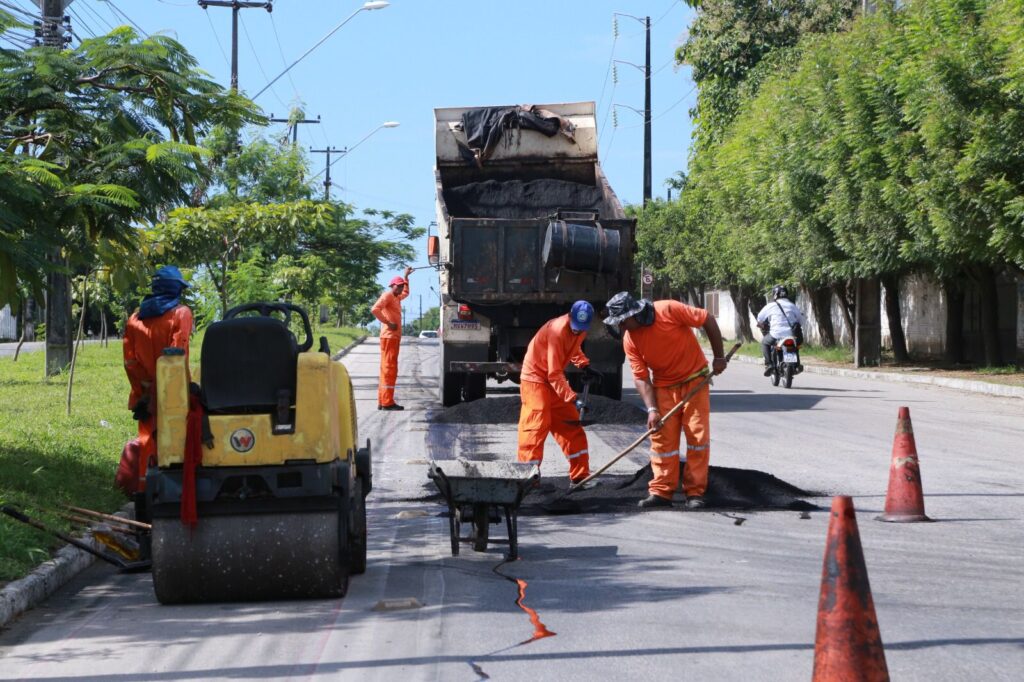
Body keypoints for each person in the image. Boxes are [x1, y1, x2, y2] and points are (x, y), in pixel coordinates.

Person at [603, 292, 728, 509]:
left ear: (635, 314)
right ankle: (661, 491)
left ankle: (695, 492)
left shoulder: (668, 309)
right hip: (663, 387)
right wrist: (652, 409)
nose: (621, 326)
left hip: (694, 380)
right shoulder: (630, 340)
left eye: (623, 321)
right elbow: (641, 377)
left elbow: (706, 318)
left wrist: (718, 357)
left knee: (697, 437)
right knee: (662, 441)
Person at [122, 266, 193, 494]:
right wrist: (162, 390)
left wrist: (144, 391)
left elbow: (130, 362)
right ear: (176, 289)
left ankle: (145, 494)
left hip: (143, 393)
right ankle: (176, 491)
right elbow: (176, 354)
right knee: (177, 439)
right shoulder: (181, 313)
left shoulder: (135, 319)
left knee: (147, 441)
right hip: (173, 393)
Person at [517, 301, 600, 485]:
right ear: (569, 316)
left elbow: (572, 347)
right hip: (536, 381)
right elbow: (554, 373)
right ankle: (527, 481)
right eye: (576, 328)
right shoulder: (557, 330)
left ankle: (580, 477)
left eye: (581, 329)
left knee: (571, 428)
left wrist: (584, 365)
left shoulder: (580, 328)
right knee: (535, 428)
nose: (578, 332)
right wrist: (573, 398)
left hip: (553, 383)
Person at [371, 266, 413, 410]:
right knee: (389, 369)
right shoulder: (388, 296)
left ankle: (382, 401)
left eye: (402, 286)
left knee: (386, 368)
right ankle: (387, 402)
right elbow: (374, 309)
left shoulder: (396, 297)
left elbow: (406, 293)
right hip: (389, 337)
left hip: (392, 338)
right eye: (399, 286)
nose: (401, 289)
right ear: (392, 286)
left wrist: (406, 277)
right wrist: (388, 323)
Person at [755, 285, 806, 375]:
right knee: (795, 346)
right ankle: (797, 364)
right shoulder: (792, 305)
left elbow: (760, 318)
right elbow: (801, 320)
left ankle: (769, 364)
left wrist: (761, 325)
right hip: (791, 334)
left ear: (775, 294)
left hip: (776, 334)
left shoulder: (771, 306)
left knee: (765, 342)